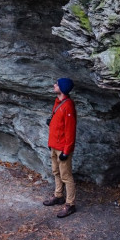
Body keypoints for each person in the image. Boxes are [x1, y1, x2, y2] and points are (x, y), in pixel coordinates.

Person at [44, 77, 77, 218]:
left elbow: (70, 130)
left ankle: (70, 204)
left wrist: (66, 150)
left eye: (57, 84)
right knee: (56, 171)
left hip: (62, 148)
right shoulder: (58, 102)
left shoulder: (68, 106)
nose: (54, 85)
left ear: (62, 88)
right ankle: (58, 195)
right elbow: (59, 126)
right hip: (54, 145)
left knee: (66, 176)